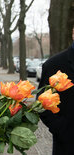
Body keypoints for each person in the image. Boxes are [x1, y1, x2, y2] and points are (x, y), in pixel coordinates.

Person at [38, 26, 74, 155]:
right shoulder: (54, 65)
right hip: (67, 145)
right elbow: (42, 104)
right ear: (73, 32)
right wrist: (61, 129)